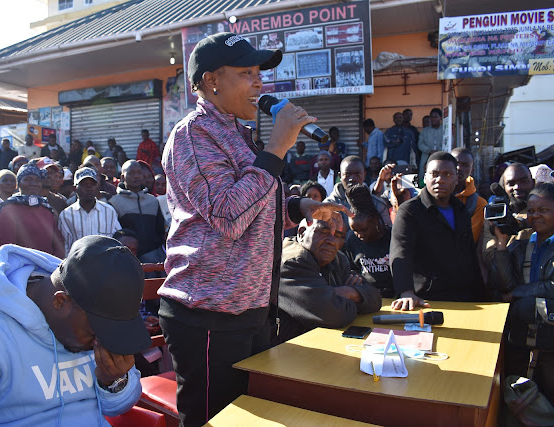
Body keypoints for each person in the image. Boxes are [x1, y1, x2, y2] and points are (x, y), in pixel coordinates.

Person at [159, 32, 344, 426]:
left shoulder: (238, 133)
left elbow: (254, 207)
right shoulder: (193, 135)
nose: (259, 82)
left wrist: (297, 207)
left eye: (259, 72)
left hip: (251, 307)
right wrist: (276, 149)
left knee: (248, 418)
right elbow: (228, 216)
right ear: (211, 80)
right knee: (213, 419)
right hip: (208, 311)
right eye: (246, 72)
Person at [0, 235, 150, 425]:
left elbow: (117, 407)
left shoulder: (86, 321)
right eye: (96, 331)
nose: (100, 342)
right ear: (60, 302)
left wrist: (112, 380)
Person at [390, 152, 484, 310]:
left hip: (465, 298)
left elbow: (470, 255)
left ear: (456, 179)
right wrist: (406, 292)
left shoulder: (462, 211)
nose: (440, 179)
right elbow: (400, 251)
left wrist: (482, 294)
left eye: (447, 174)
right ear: (425, 177)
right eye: (434, 174)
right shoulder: (410, 211)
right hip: (427, 299)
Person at [490, 183, 554, 401]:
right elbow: (503, 285)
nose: (535, 216)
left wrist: (516, 294)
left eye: (543, 210)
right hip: (520, 339)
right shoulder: (521, 243)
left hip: (549, 341)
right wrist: (501, 244)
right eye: (531, 211)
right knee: (517, 400)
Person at [276, 215, 382, 344]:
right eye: (324, 232)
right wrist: (350, 300)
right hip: (285, 350)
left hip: (323, 344)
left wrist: (348, 292)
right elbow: (333, 315)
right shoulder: (291, 261)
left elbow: (375, 298)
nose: (332, 241)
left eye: (338, 236)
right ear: (302, 233)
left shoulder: (337, 259)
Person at [0, 163, 65, 258]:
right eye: (27, 179)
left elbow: (58, 244)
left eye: (37, 180)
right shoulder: (8, 210)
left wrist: (53, 264)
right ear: (19, 183)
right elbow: (7, 248)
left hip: (47, 265)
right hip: (19, 265)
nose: (33, 184)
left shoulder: (47, 209)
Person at [109, 160, 165, 264]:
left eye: (139, 172)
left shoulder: (153, 201)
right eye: (131, 173)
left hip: (152, 258)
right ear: (122, 177)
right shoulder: (114, 202)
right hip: (127, 258)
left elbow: (160, 230)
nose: (136, 176)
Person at [344, 185, 394, 297]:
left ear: (375, 221)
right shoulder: (351, 241)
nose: (360, 235)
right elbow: (351, 269)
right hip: (367, 296)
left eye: (364, 229)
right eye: (355, 231)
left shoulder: (392, 237)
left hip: (395, 295)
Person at [482, 163, 535, 269]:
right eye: (511, 183)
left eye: (523, 181)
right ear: (503, 187)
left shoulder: (543, 212)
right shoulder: (495, 214)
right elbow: (489, 256)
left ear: (533, 183)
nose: (517, 187)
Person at [58, 167, 121, 255]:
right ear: (75, 188)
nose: (89, 188)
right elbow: (65, 247)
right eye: (84, 184)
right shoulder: (66, 215)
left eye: (92, 184)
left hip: (105, 261)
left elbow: (117, 240)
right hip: (79, 262)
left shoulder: (109, 211)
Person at [326, 156, 392, 226]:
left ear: (364, 175)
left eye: (357, 174)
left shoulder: (377, 204)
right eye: (347, 174)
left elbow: (386, 230)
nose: (352, 179)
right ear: (340, 176)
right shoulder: (329, 205)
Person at [451, 147, 487, 243]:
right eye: (456, 163)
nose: (459, 168)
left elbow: (469, 239)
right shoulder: (431, 196)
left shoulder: (479, 204)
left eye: (465, 165)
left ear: (472, 170)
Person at [418, 108, 444, 176]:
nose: (433, 119)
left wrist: (438, 151)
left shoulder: (445, 130)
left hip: (441, 156)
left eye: (435, 117)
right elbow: (420, 144)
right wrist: (429, 151)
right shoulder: (425, 131)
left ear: (440, 118)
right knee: (424, 175)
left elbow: (447, 142)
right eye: (432, 117)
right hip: (426, 156)